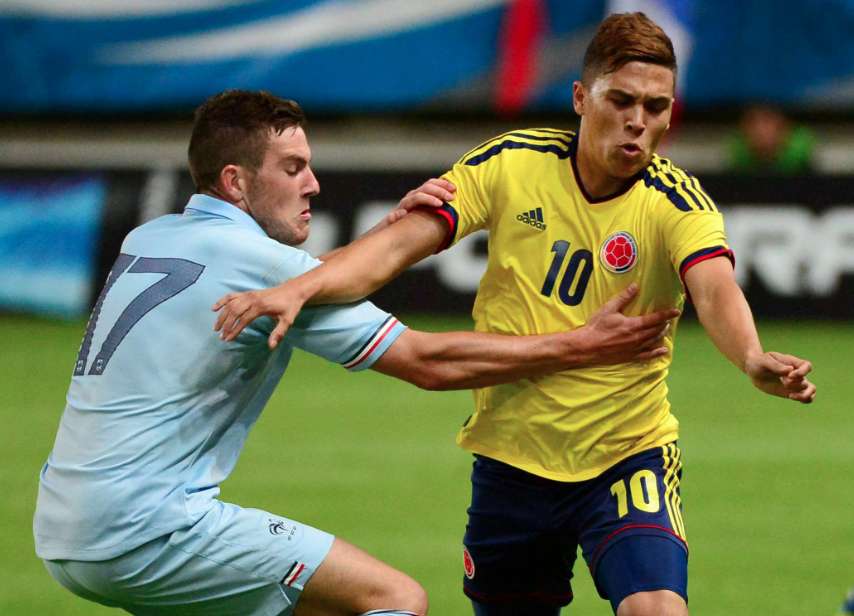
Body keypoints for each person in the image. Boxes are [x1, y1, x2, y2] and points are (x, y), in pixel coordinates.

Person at [212, 13, 817, 616]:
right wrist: (300, 288)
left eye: (656, 107)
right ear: (581, 98)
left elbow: (714, 288)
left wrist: (749, 356)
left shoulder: (675, 202)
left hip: (626, 454)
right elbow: (392, 250)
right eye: (622, 100)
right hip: (511, 461)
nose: (638, 121)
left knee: (656, 609)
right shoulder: (511, 163)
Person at [32, 90, 680, 616]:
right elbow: (426, 362)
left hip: (65, 529)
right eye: (292, 169)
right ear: (235, 181)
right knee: (394, 600)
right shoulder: (258, 267)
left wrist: (385, 232)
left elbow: (304, 278)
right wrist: (579, 345)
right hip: (151, 530)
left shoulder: (155, 236)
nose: (313, 184)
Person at [726, 103, 815, 174]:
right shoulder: (734, 150)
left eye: (767, 120)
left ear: (783, 124)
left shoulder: (805, 147)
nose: (759, 129)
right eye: (751, 120)